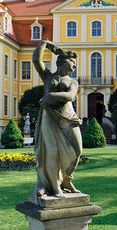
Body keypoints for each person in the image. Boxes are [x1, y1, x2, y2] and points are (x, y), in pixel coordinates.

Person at [32, 40, 82, 198]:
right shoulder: (47, 76)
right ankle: (54, 187)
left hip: (68, 117)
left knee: (77, 150)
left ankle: (67, 179)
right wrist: (45, 43)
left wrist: (51, 95)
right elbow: (35, 59)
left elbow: (70, 96)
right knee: (51, 152)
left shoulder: (73, 81)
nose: (74, 65)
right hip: (49, 117)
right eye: (72, 62)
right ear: (62, 61)